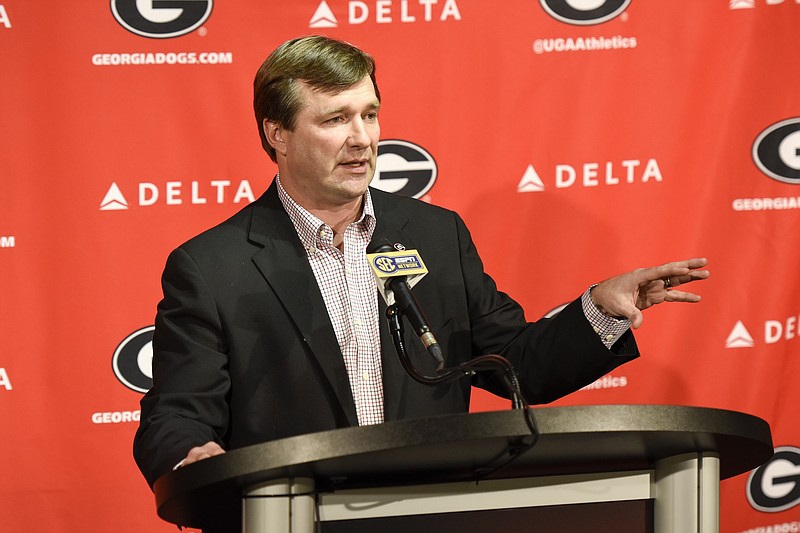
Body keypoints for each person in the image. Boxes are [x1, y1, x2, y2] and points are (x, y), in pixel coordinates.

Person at [133, 35, 709, 494]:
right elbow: (178, 410)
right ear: (277, 132)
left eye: (370, 114)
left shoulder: (435, 235)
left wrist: (598, 312)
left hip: (429, 507)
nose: (362, 139)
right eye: (335, 119)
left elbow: (515, 365)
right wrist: (190, 455)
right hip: (290, 509)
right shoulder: (212, 266)